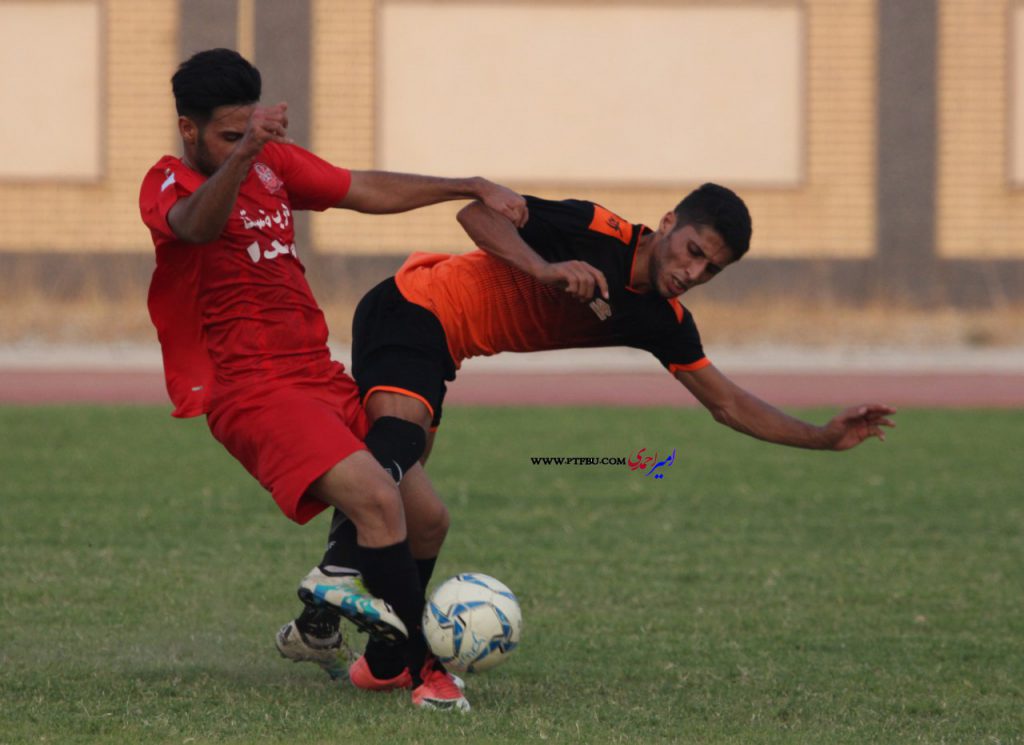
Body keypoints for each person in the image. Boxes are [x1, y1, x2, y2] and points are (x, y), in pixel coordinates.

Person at [280, 183, 898, 689]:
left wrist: (822, 436)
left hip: (444, 349)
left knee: (428, 519)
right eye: (691, 250)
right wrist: (544, 268)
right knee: (397, 443)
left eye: (712, 268)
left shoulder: (664, 319)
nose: (693, 271)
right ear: (667, 222)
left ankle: (356, 650)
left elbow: (729, 403)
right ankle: (366, 612)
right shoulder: (593, 229)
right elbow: (476, 214)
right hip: (410, 306)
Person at [138, 48, 529, 712]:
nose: (243, 144)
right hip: (252, 389)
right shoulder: (168, 182)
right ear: (189, 129)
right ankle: (425, 673)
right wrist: (245, 154)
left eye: (249, 131)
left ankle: (347, 644)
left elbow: (363, 188)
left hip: (317, 375)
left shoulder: (273, 164)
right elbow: (197, 228)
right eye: (229, 135)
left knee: (427, 518)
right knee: (377, 497)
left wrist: (467, 184)